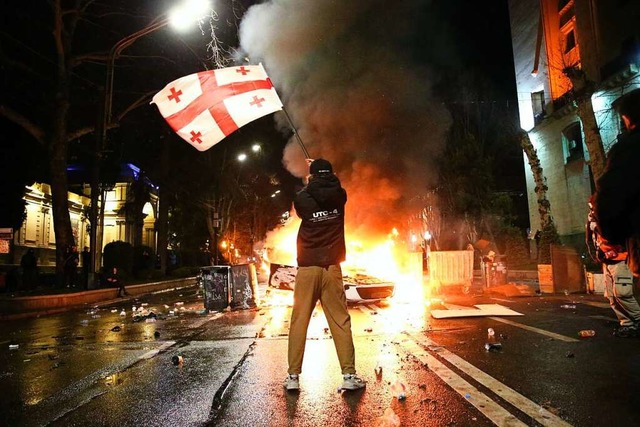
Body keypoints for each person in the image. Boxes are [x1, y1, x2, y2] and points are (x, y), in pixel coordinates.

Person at [284, 158, 365, 392]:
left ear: (311, 177)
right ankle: (349, 376)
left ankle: (293, 377)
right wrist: (326, 175)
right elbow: (332, 187)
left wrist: (313, 178)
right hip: (332, 268)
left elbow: (308, 194)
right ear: (331, 174)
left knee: (300, 321)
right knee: (340, 322)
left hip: (308, 268)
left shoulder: (303, 198)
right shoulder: (340, 196)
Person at [593, 88, 640, 336]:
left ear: (628, 119)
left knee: (624, 291)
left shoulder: (629, 150)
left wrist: (611, 240)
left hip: (630, 244)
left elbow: (610, 194)